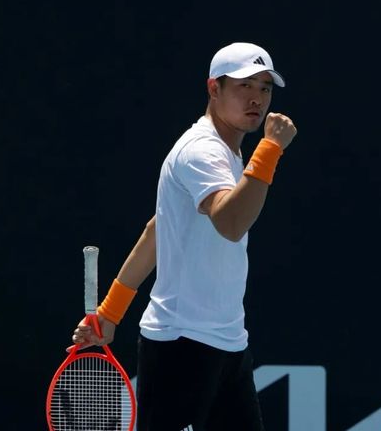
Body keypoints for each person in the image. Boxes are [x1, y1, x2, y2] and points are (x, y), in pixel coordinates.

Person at [70, 42, 297, 430]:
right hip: (181, 346)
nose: (257, 98)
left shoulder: (227, 152)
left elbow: (158, 231)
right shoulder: (200, 151)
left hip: (228, 343)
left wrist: (110, 312)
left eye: (264, 88)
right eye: (244, 85)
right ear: (213, 88)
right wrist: (271, 149)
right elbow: (231, 223)